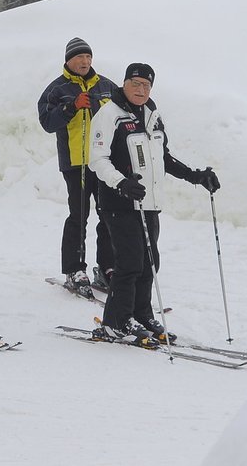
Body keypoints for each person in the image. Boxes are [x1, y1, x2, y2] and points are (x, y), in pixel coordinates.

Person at [88, 63, 220, 344]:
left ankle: (141, 314)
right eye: (135, 84)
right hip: (118, 201)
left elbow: (164, 158)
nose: (141, 90)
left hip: (148, 201)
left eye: (147, 86)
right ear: (124, 83)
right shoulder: (109, 114)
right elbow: (97, 160)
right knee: (129, 262)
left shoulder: (152, 116)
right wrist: (121, 182)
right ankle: (116, 321)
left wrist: (196, 176)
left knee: (149, 262)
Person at [37, 37, 118, 296]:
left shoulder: (106, 86)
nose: (85, 62)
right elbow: (48, 122)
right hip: (75, 162)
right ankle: (74, 269)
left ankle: (107, 267)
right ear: (68, 60)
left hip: (104, 162)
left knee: (108, 214)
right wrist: (71, 107)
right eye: (79, 57)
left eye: (88, 57)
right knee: (79, 215)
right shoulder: (57, 89)